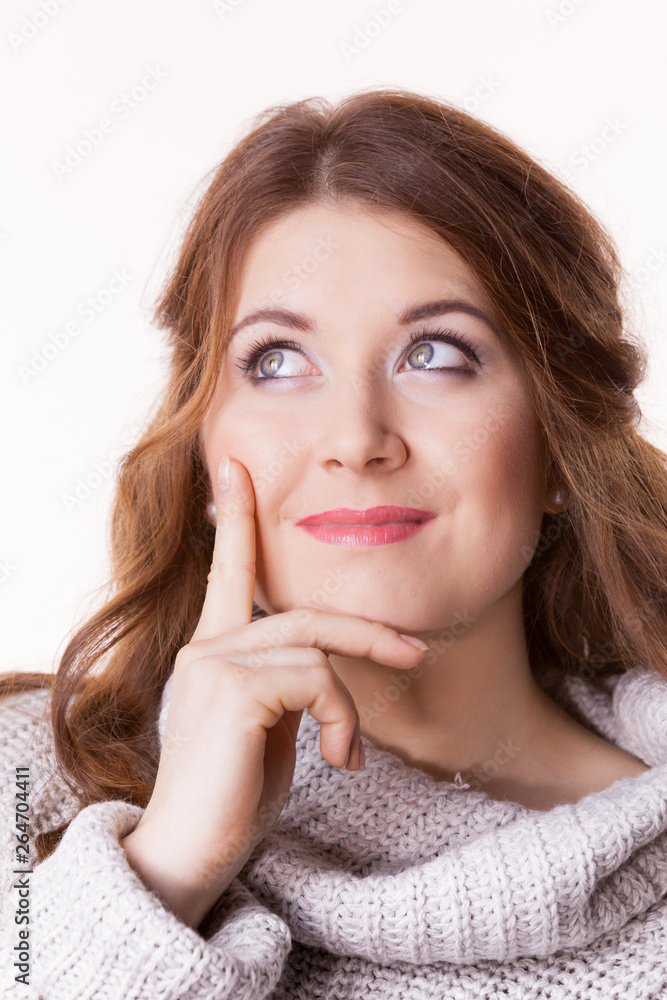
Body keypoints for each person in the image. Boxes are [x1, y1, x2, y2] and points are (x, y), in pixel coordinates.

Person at [2, 87, 667, 999]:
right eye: (276, 361)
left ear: (559, 446)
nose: (355, 437)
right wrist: (165, 869)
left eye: (436, 353)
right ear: (202, 447)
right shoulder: (22, 779)